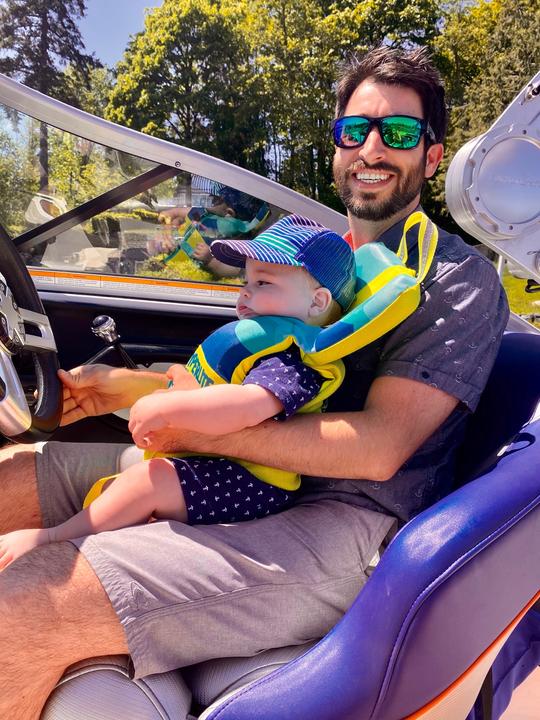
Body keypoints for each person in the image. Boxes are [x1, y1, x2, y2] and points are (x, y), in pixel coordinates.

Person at [0, 45, 509, 719]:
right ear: (336, 147)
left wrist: (201, 434)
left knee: (28, 597)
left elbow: (379, 448)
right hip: (243, 476)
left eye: (399, 131)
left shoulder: (454, 280)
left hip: (343, 523)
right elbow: (235, 378)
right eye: (354, 130)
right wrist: (125, 389)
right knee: (15, 476)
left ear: (432, 155)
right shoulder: (314, 260)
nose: (372, 148)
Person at [0, 215, 356, 568]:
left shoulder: (293, 360)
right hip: (223, 462)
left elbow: (246, 406)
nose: (246, 291)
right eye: (246, 281)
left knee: (147, 482)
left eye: (264, 283)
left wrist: (169, 409)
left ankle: (53, 538)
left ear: (318, 302)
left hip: (255, 483)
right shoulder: (264, 342)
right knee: (129, 485)